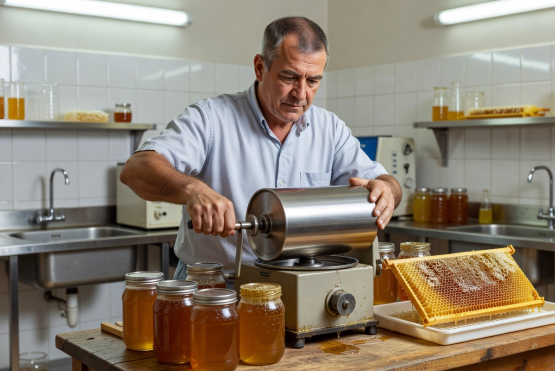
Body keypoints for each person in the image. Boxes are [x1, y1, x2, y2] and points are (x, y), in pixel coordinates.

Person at [120, 16, 402, 280]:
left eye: (313, 81)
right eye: (289, 77)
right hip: (215, 285)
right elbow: (137, 168)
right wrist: (192, 190)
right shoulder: (211, 118)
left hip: (297, 285)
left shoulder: (330, 129)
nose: (301, 94)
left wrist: (387, 189)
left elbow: (385, 182)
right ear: (259, 67)